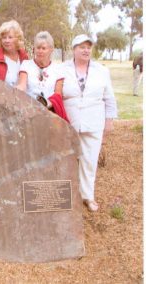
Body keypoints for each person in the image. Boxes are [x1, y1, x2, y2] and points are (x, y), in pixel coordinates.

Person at [60, 34, 117, 212]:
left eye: (88, 47)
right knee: (67, 160)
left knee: (89, 160)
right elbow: (55, 93)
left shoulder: (102, 70)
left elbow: (109, 97)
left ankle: (87, 196)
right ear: (73, 49)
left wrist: (109, 120)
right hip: (69, 122)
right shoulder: (62, 69)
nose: (85, 50)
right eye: (81, 47)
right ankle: (65, 196)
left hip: (94, 121)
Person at [16, 31, 68, 121]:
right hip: (29, 114)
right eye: (38, 48)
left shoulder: (58, 69)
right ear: (34, 49)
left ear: (51, 49)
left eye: (44, 48)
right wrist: (16, 90)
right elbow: (22, 85)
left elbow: (58, 95)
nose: (40, 51)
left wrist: (45, 104)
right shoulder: (26, 64)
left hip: (50, 114)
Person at [0, 19, 28, 87]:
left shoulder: (24, 56)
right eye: (4, 38)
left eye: (10, 37)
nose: (7, 41)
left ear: (17, 38)